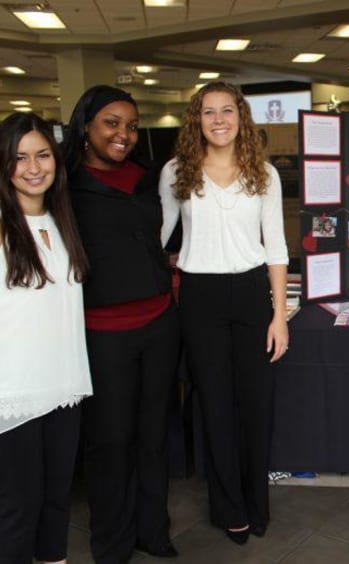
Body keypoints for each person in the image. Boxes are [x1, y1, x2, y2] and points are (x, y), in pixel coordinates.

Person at [159, 81, 289, 545]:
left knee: (256, 404)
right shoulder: (178, 172)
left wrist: (278, 316)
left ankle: (257, 502)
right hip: (200, 298)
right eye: (208, 112)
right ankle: (228, 506)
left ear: (241, 117)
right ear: (197, 120)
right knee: (214, 404)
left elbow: (275, 248)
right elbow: (157, 237)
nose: (218, 120)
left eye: (227, 111)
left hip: (253, 294)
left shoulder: (264, 174)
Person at [62, 85, 180, 562]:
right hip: (101, 333)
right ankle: (111, 542)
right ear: (86, 127)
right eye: (112, 123)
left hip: (158, 324)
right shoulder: (63, 184)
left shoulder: (148, 177)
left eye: (131, 126)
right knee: (110, 440)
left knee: (154, 434)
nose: (124, 135)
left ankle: (153, 529)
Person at [0, 112, 91, 564]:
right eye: (19, 158)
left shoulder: (61, 221)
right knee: (19, 509)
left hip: (65, 387)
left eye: (42, 155)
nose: (33, 167)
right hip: (14, 394)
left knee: (57, 503)